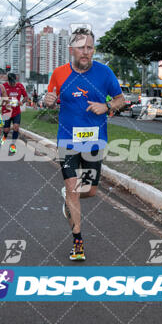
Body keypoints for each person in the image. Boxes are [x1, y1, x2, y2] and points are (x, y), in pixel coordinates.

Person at [44, 26, 125, 261]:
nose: (85, 52)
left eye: (89, 47)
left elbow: (121, 99)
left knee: (89, 190)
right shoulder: (59, 74)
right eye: (81, 47)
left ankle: (68, 198)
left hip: (93, 142)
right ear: (71, 50)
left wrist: (107, 106)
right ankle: (77, 242)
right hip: (67, 141)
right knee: (74, 189)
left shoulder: (105, 73)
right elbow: (49, 100)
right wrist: (48, 100)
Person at [1, 72, 28, 153]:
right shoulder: (4, 86)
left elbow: (26, 97)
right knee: (6, 130)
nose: (13, 84)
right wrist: (10, 102)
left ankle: (13, 146)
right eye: (11, 82)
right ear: (8, 80)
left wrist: (22, 102)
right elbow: (1, 99)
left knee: (16, 127)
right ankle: (4, 137)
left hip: (16, 112)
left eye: (14, 82)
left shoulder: (19, 86)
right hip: (6, 111)